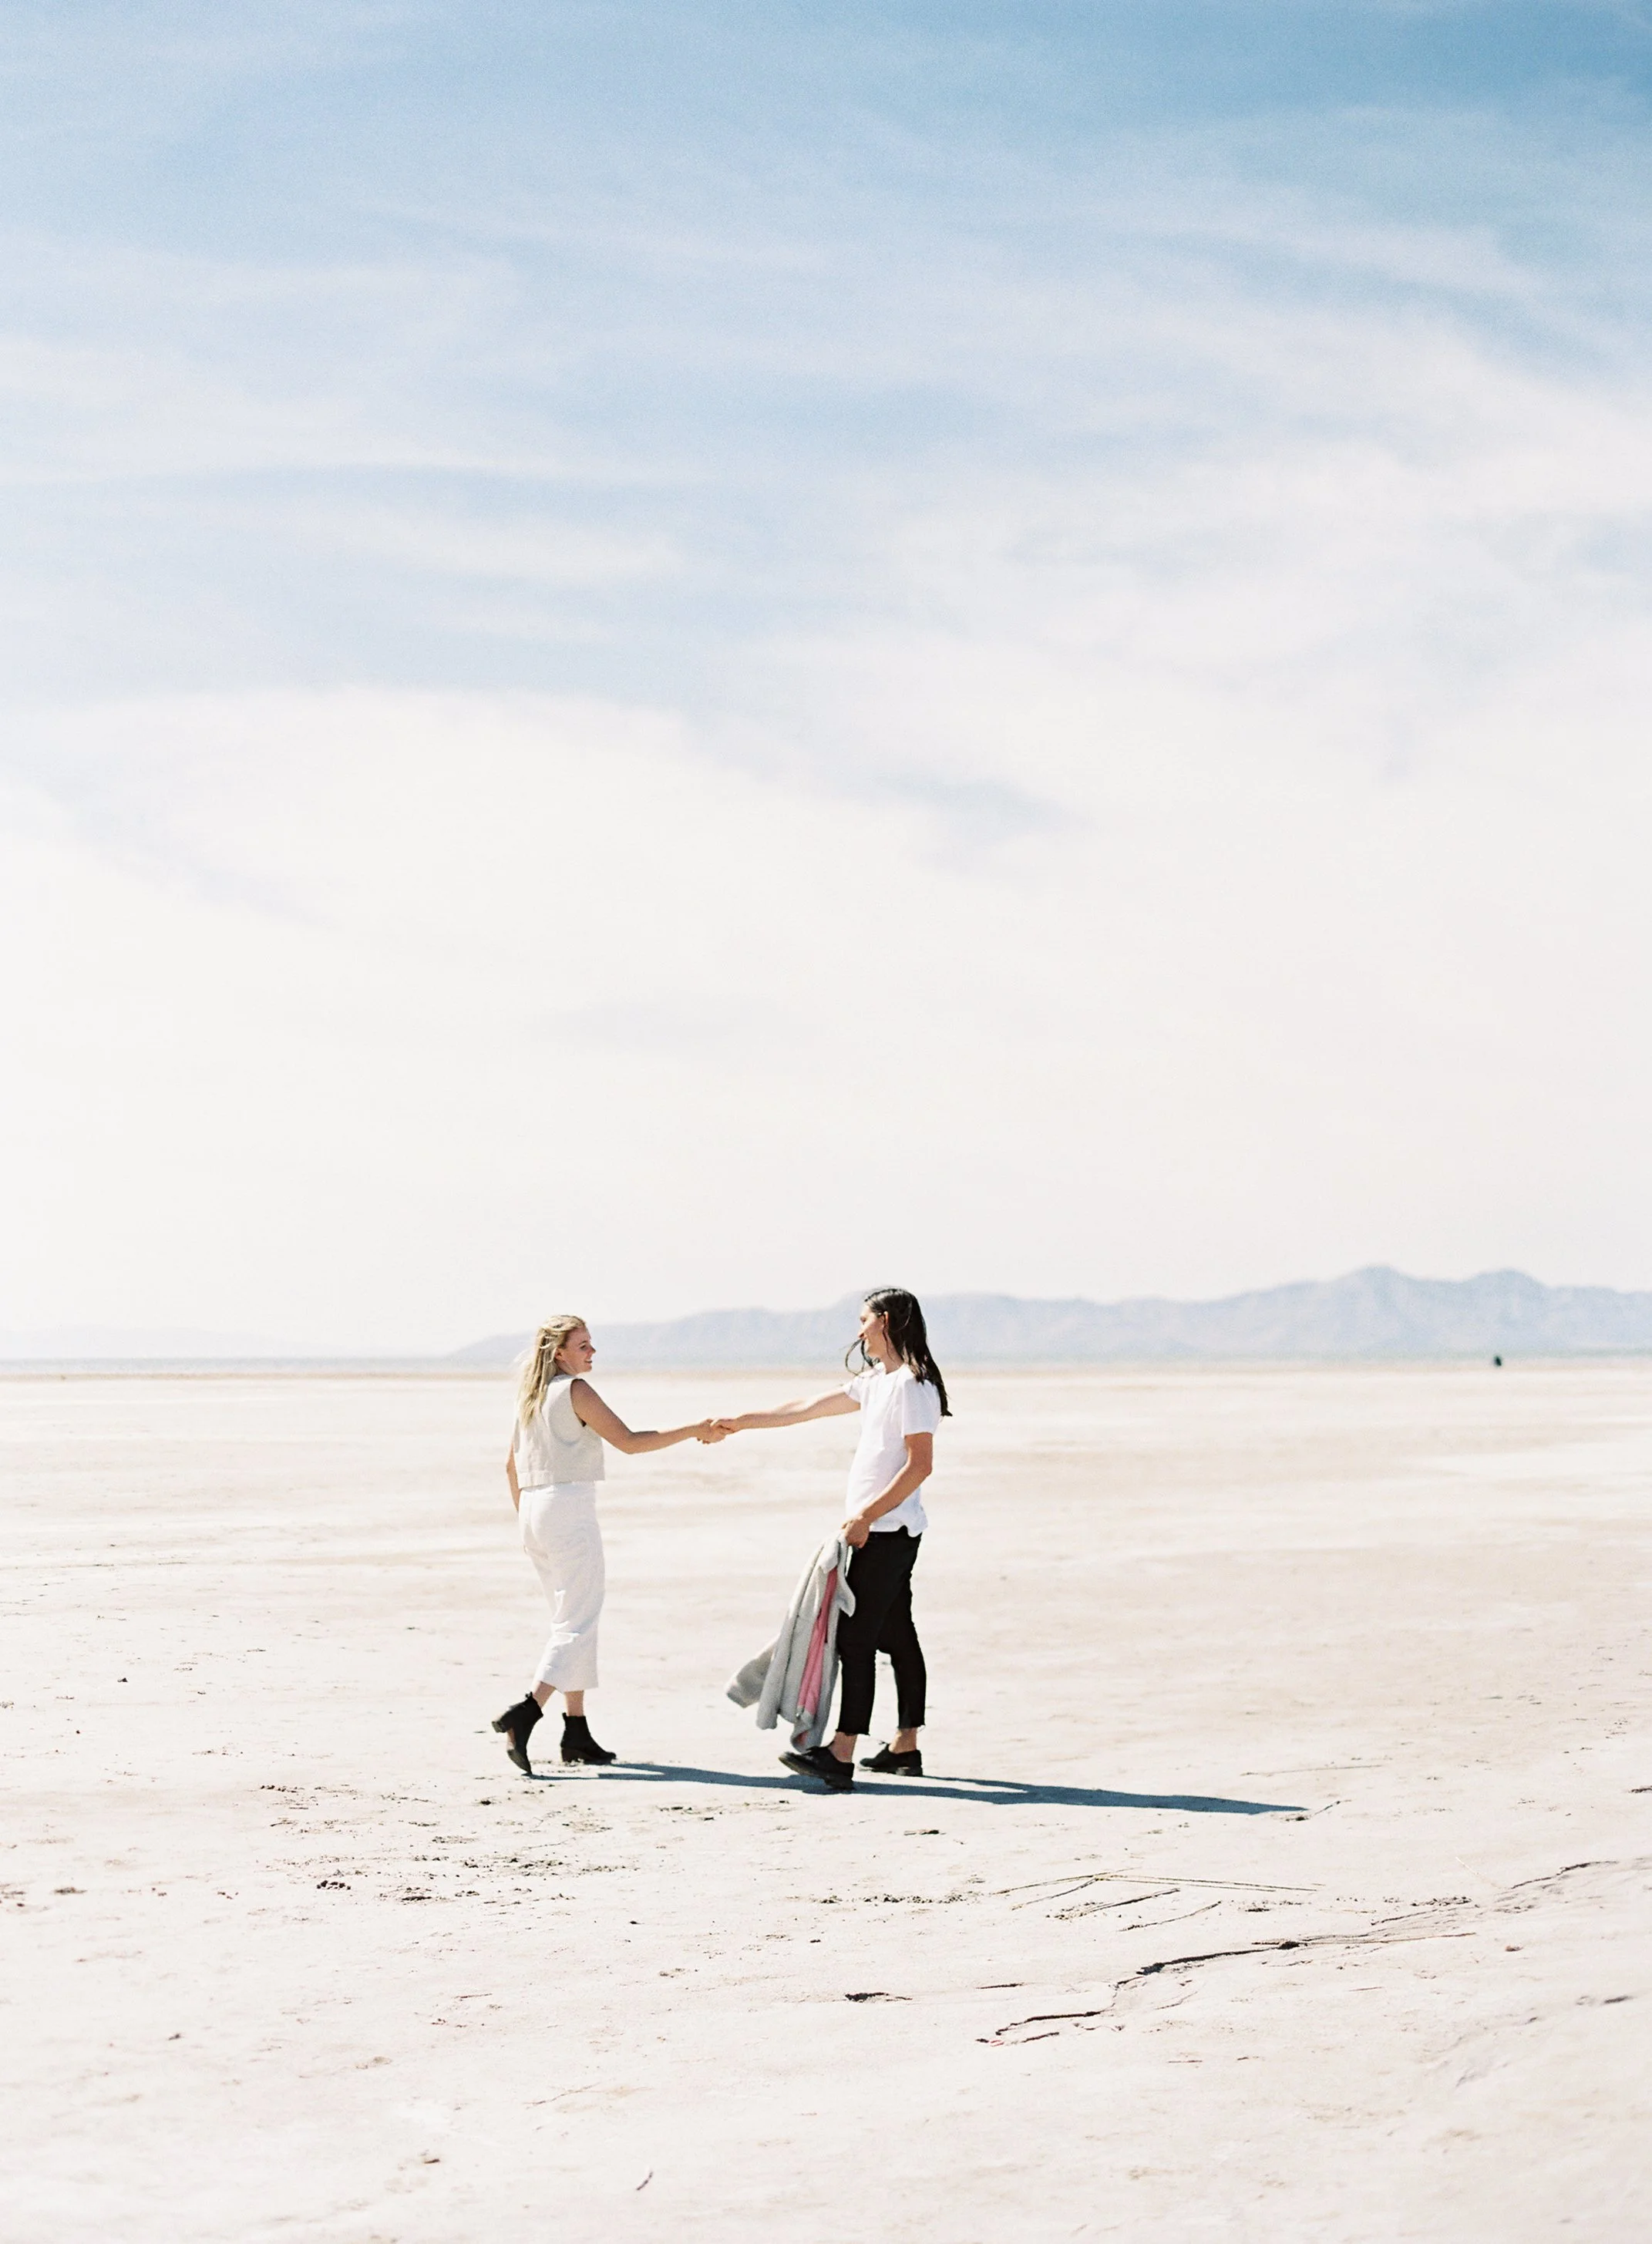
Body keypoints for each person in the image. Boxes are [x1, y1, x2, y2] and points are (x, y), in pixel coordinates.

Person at [715, 1287, 949, 1792]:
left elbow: (920, 1465)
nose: (858, 1328)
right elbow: (804, 1408)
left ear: (884, 1321)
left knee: (856, 1639)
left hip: (887, 1531)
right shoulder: (876, 1381)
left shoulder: (912, 1385)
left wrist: (864, 1515)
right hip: (880, 1529)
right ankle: (904, 1746)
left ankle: (841, 1752)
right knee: (896, 1634)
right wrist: (741, 1421)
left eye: (863, 1319)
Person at [493, 1315, 723, 1775]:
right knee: (577, 1620)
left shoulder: (530, 1398)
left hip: (534, 1512)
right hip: (566, 1509)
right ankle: (527, 1711)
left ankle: (576, 1732)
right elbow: (631, 1443)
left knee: (569, 1618)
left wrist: (528, 1525)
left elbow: (510, 1467)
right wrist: (694, 1428)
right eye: (583, 1346)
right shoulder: (575, 1391)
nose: (592, 1353)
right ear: (559, 1352)